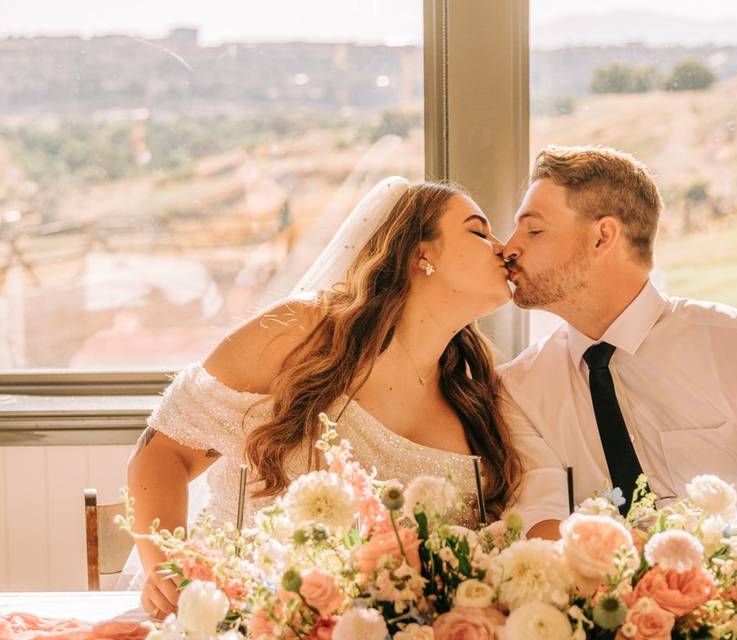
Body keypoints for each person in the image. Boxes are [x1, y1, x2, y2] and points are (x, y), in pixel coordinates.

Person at [127, 178, 522, 619]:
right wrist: (166, 569)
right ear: (420, 254)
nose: (504, 248)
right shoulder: (303, 334)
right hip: (251, 621)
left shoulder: (475, 393)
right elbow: (163, 454)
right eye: (479, 231)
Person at [499, 145, 737, 540]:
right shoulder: (518, 389)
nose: (509, 248)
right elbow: (538, 528)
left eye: (534, 229)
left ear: (602, 238)